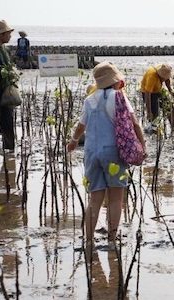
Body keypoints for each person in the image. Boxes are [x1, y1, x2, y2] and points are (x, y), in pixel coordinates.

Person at [66, 62, 146, 242]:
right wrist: (143, 145)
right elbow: (134, 123)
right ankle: (112, 238)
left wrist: (73, 141)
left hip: (91, 152)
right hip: (113, 152)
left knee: (95, 199)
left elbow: (81, 126)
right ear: (115, 81)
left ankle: (88, 240)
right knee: (116, 198)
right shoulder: (119, 97)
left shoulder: (90, 99)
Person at [0, 20, 17, 150]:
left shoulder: (4, 49)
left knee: (8, 125)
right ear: (1, 35)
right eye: (8, 33)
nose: (10, 36)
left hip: (5, 94)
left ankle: (9, 155)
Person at [140, 63, 174, 130]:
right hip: (149, 93)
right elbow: (147, 94)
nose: (165, 80)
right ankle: (152, 128)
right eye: (163, 79)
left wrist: (170, 90)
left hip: (158, 90)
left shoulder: (164, 70)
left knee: (169, 107)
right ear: (160, 76)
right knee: (155, 113)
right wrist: (149, 112)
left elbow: (167, 80)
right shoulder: (152, 76)